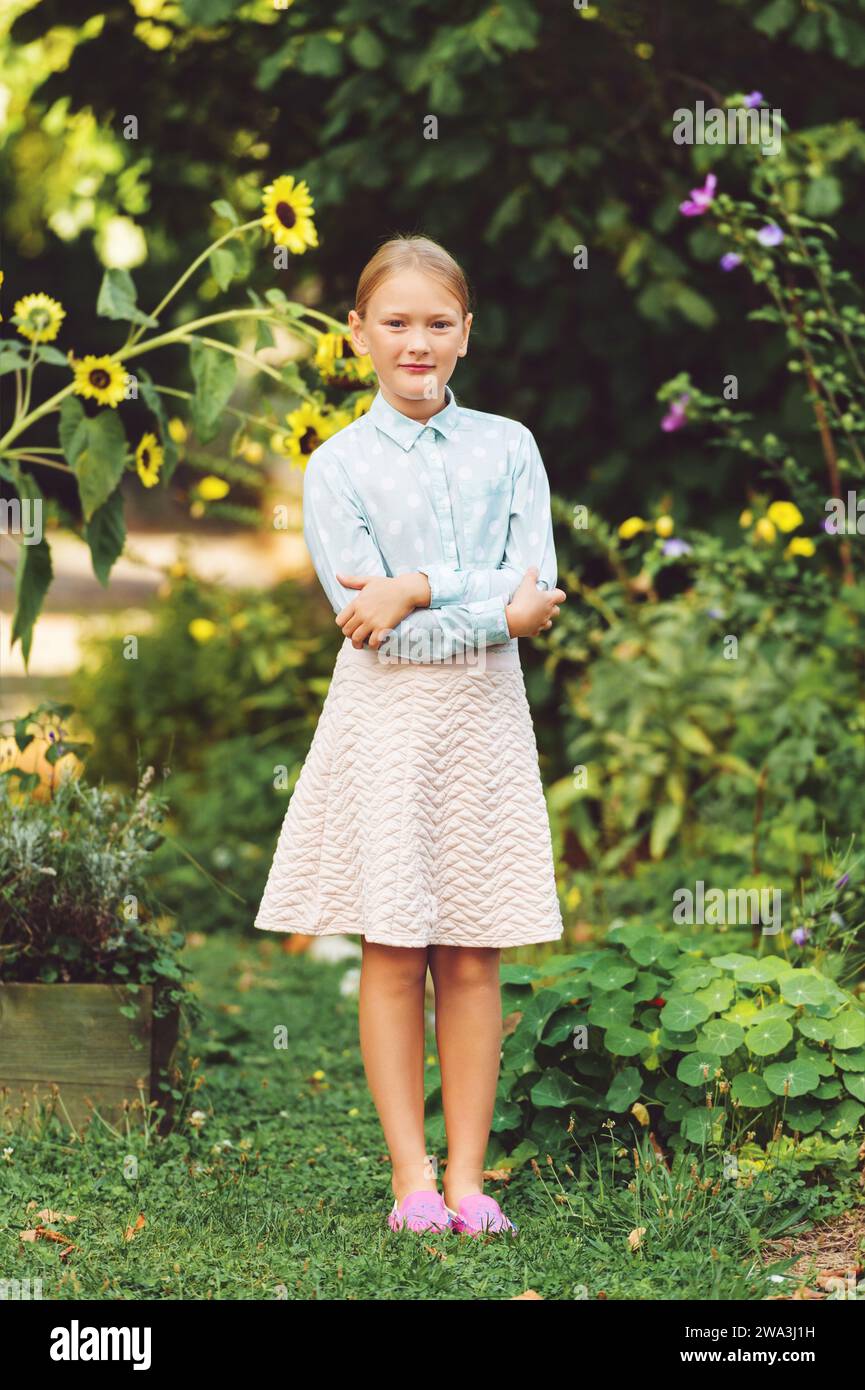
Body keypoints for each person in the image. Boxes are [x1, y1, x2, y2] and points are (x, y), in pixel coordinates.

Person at [255, 234, 568, 1237]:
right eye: (396, 323)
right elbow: (367, 627)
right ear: (358, 335)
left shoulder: (509, 447)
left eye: (438, 323)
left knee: (471, 950)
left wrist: (420, 584)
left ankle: (472, 1178)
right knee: (393, 947)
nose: (417, 342)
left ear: (466, 334)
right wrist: (479, 611)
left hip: (481, 723)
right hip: (385, 723)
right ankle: (412, 1178)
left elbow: (537, 586)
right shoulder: (335, 468)